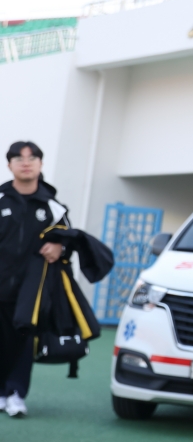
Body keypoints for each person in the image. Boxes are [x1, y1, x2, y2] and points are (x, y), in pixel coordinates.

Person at [0, 141, 67, 417]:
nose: (25, 163)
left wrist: (60, 247)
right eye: (19, 158)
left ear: (41, 164)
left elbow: (69, 240)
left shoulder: (54, 206)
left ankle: (15, 393)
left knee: (23, 341)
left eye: (32, 158)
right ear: (9, 165)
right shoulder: (1, 199)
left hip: (33, 292)